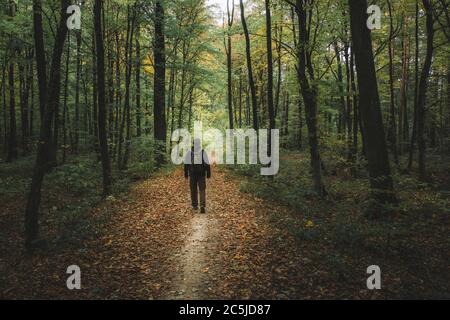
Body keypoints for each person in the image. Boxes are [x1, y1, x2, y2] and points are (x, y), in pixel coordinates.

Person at [184, 139, 211, 213]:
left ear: (193, 144)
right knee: (202, 189)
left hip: (192, 174)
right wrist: (208, 173)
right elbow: (207, 163)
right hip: (201, 174)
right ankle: (202, 205)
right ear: (199, 144)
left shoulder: (189, 152)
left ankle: (195, 206)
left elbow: (186, 164)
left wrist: (186, 174)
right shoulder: (202, 152)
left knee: (193, 189)